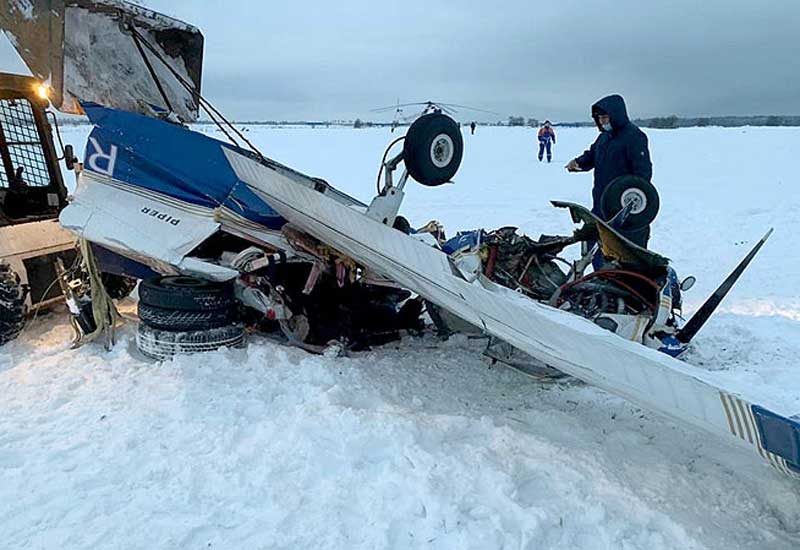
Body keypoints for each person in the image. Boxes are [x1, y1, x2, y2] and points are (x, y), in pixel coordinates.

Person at [566, 94, 653, 247]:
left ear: (616, 115)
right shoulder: (604, 137)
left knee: (622, 255)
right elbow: (592, 154)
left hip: (623, 211)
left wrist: (632, 205)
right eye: (599, 118)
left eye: (605, 117)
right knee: (598, 250)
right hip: (601, 204)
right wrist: (578, 163)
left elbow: (643, 174)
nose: (602, 121)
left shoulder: (634, 137)